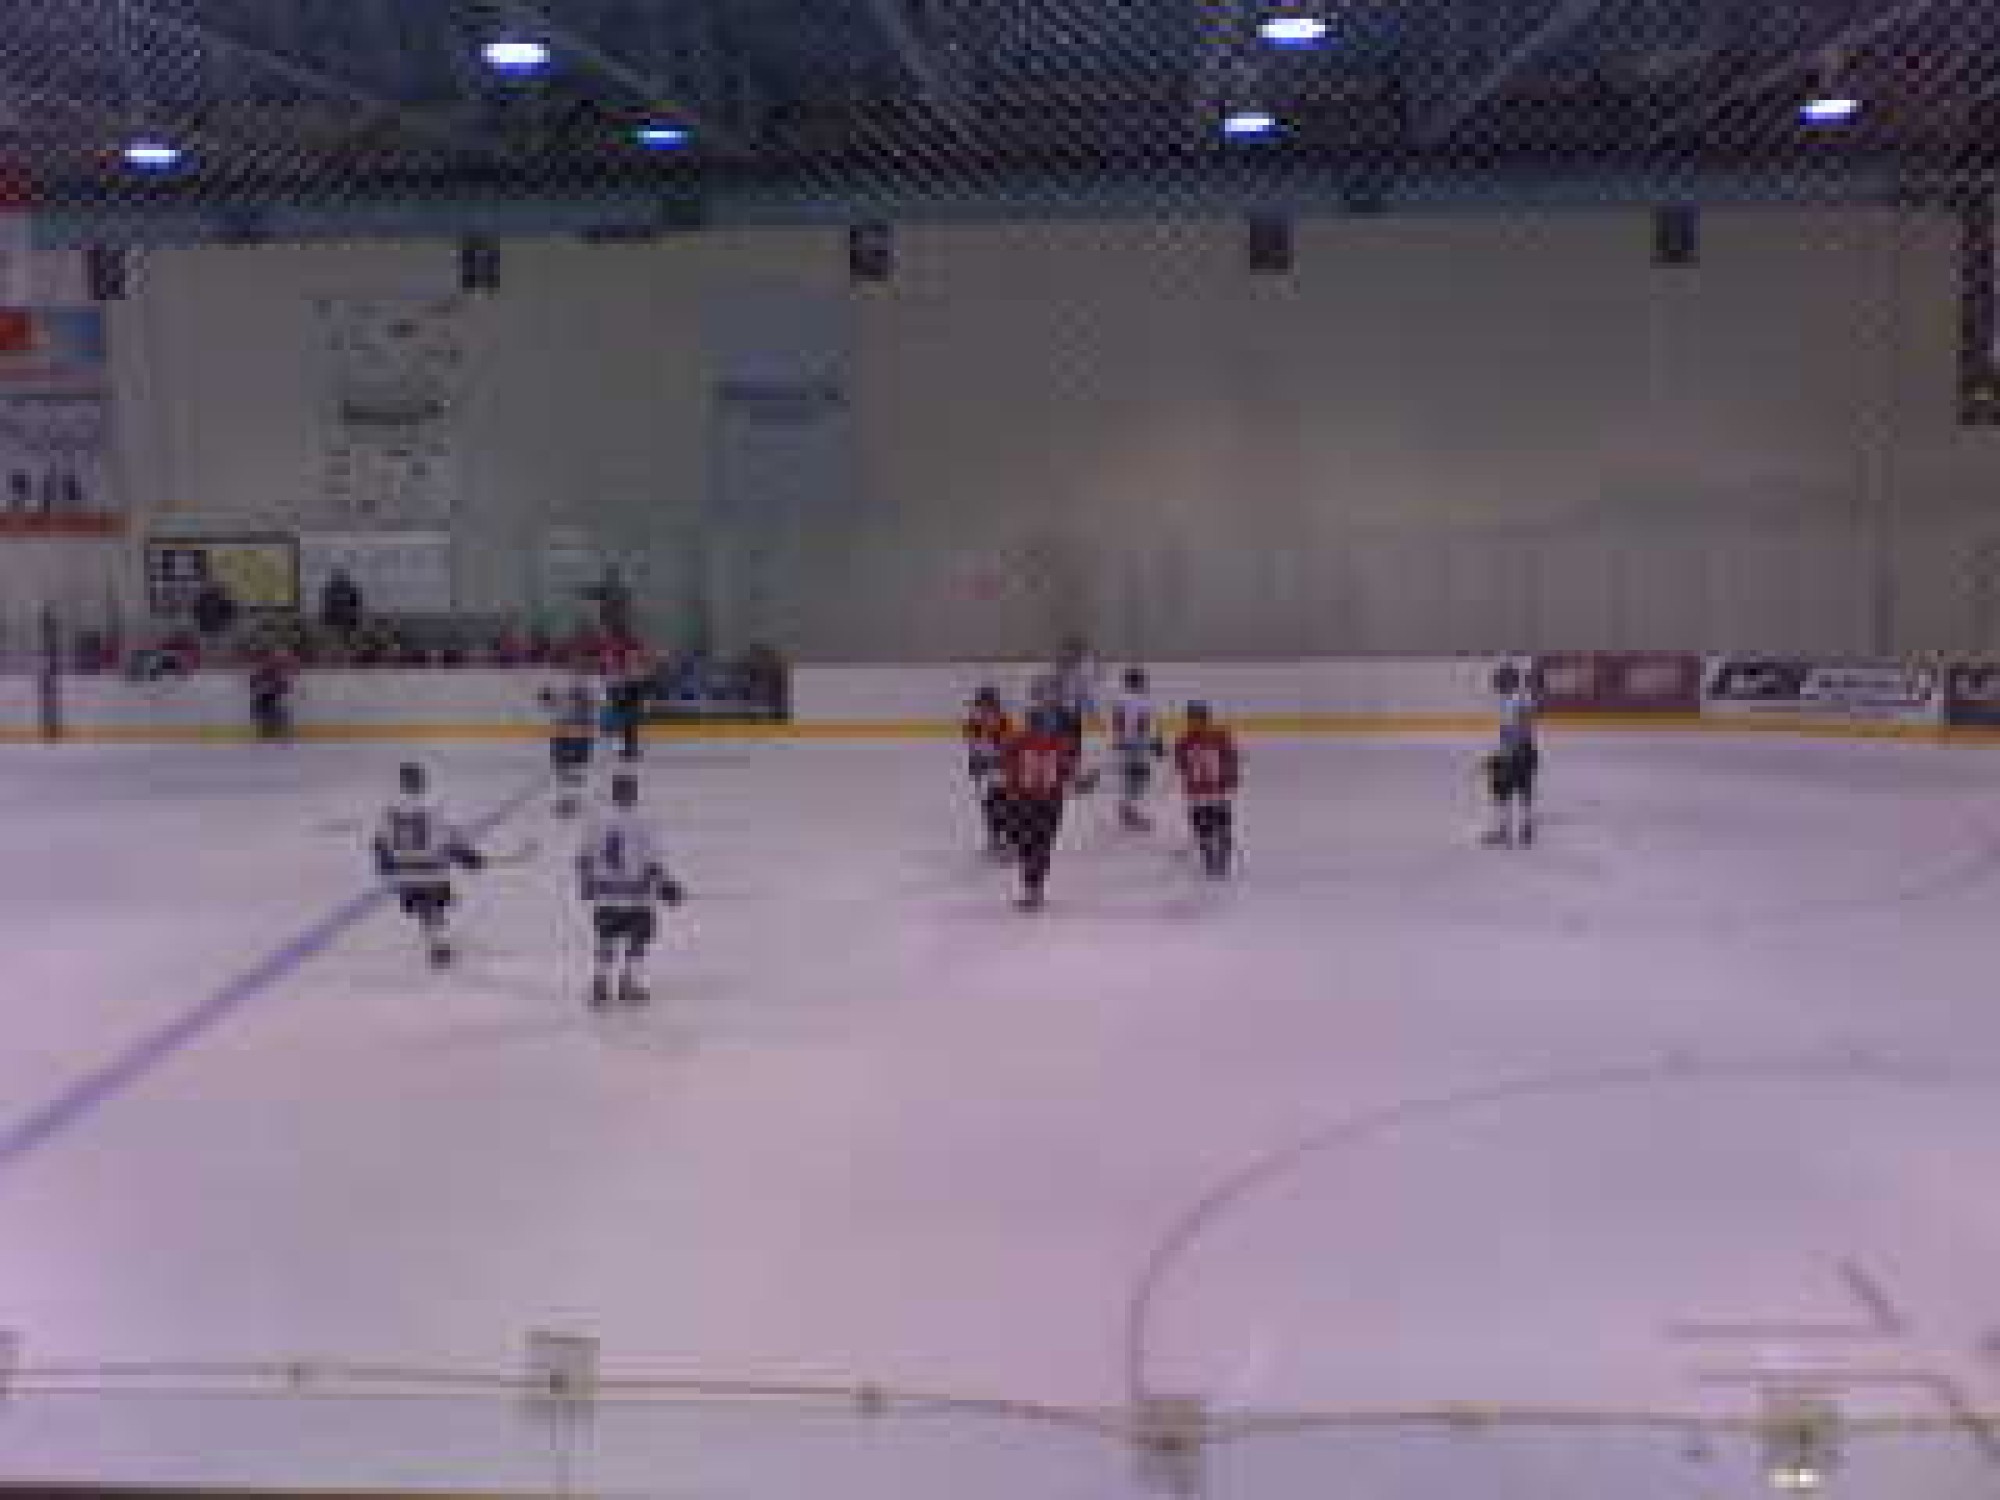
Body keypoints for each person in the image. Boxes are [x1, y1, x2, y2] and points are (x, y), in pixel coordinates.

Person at [577, 772, 685, 1010]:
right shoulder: (645, 822)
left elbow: (583, 857)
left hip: (605, 891)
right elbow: (653, 861)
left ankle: (600, 982)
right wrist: (666, 884)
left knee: (606, 937)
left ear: (613, 792)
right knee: (637, 938)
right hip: (637, 893)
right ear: (633, 793)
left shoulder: (596, 821)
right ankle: (628, 982)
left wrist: (585, 883)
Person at [371, 763, 487, 969]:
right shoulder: (434, 806)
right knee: (436, 905)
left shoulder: (389, 809)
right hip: (431, 868)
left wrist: (384, 865)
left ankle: (435, 943)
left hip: (404, 870)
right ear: (420, 781)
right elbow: (450, 838)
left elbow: (380, 841)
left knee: (424, 907)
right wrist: (469, 857)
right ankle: (439, 946)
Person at [1000, 704, 1081, 911]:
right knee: (1032, 845)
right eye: (1038, 723)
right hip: (1030, 801)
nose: (1042, 727)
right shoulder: (1020, 743)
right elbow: (1009, 769)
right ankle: (1033, 888)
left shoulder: (1057, 745)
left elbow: (1067, 771)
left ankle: (1033, 889)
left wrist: (1075, 781)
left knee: (1037, 845)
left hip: (1044, 802)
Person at [1174, 701, 1241, 880]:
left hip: (1214, 791)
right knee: (1204, 827)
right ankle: (1211, 859)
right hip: (1199, 793)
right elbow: (1182, 764)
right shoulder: (1186, 740)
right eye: (1192, 719)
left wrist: (1230, 779)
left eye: (1196, 718)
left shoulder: (1210, 738)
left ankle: (1220, 860)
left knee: (1219, 826)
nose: (1194, 722)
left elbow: (1230, 758)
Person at [1483, 662, 1540, 848]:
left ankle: (1503, 830)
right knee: (1525, 789)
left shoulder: (1510, 702)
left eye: (1500, 681)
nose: (1496, 685)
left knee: (1501, 789)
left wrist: (1506, 753)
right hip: (1527, 748)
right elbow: (1524, 725)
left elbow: (1515, 728)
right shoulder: (1523, 698)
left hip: (1515, 749)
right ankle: (1526, 829)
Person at [1109, 666, 1165, 831]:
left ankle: (1127, 808)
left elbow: (1118, 721)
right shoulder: (1143, 700)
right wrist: (1152, 743)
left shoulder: (1119, 700)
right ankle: (1128, 810)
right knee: (1139, 777)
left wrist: (1119, 740)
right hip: (1136, 745)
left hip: (1124, 744)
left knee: (1131, 777)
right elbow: (1143, 723)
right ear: (1139, 682)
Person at [962, 685, 1015, 856]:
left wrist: (997, 762)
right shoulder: (972, 724)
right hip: (986, 771)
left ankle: (1008, 839)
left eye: (987, 705)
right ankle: (995, 838)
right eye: (980, 705)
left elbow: (1007, 747)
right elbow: (973, 746)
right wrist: (974, 762)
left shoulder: (1003, 722)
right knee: (989, 805)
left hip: (1002, 770)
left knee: (1003, 804)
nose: (983, 708)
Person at [541, 672, 601, 819]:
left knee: (576, 767)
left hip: (578, 733)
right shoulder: (566, 695)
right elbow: (550, 704)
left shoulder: (588, 695)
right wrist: (548, 698)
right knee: (565, 767)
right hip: (566, 732)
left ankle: (572, 799)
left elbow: (591, 707)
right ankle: (567, 799)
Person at [248, 653, 294, 740]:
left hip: (271, 698)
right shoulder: (262, 675)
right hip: (265, 698)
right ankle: (268, 730)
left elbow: (282, 686)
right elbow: (253, 684)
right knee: (268, 714)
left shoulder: (274, 675)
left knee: (273, 714)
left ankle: (274, 730)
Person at [320, 568, 363, 641]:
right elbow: (355, 602)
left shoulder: (332, 589)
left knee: (338, 635)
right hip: (345, 618)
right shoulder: (348, 589)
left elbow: (327, 604)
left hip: (338, 618)